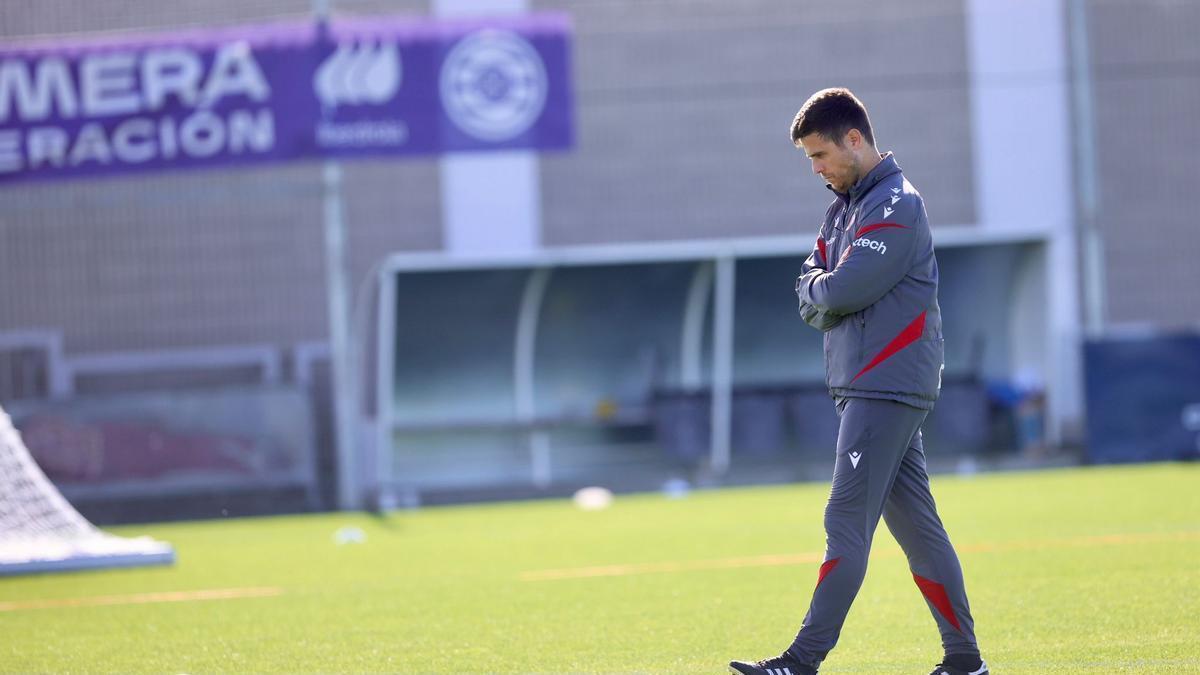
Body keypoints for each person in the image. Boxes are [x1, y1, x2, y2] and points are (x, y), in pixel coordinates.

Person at [729, 88, 988, 675]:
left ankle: (801, 661)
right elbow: (812, 283)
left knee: (844, 522)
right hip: (871, 386)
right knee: (920, 531)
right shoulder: (845, 206)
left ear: (854, 139)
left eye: (820, 155)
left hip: (883, 385)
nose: (816, 169)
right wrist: (820, 288)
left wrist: (820, 289)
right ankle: (966, 660)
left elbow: (836, 289)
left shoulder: (895, 202)